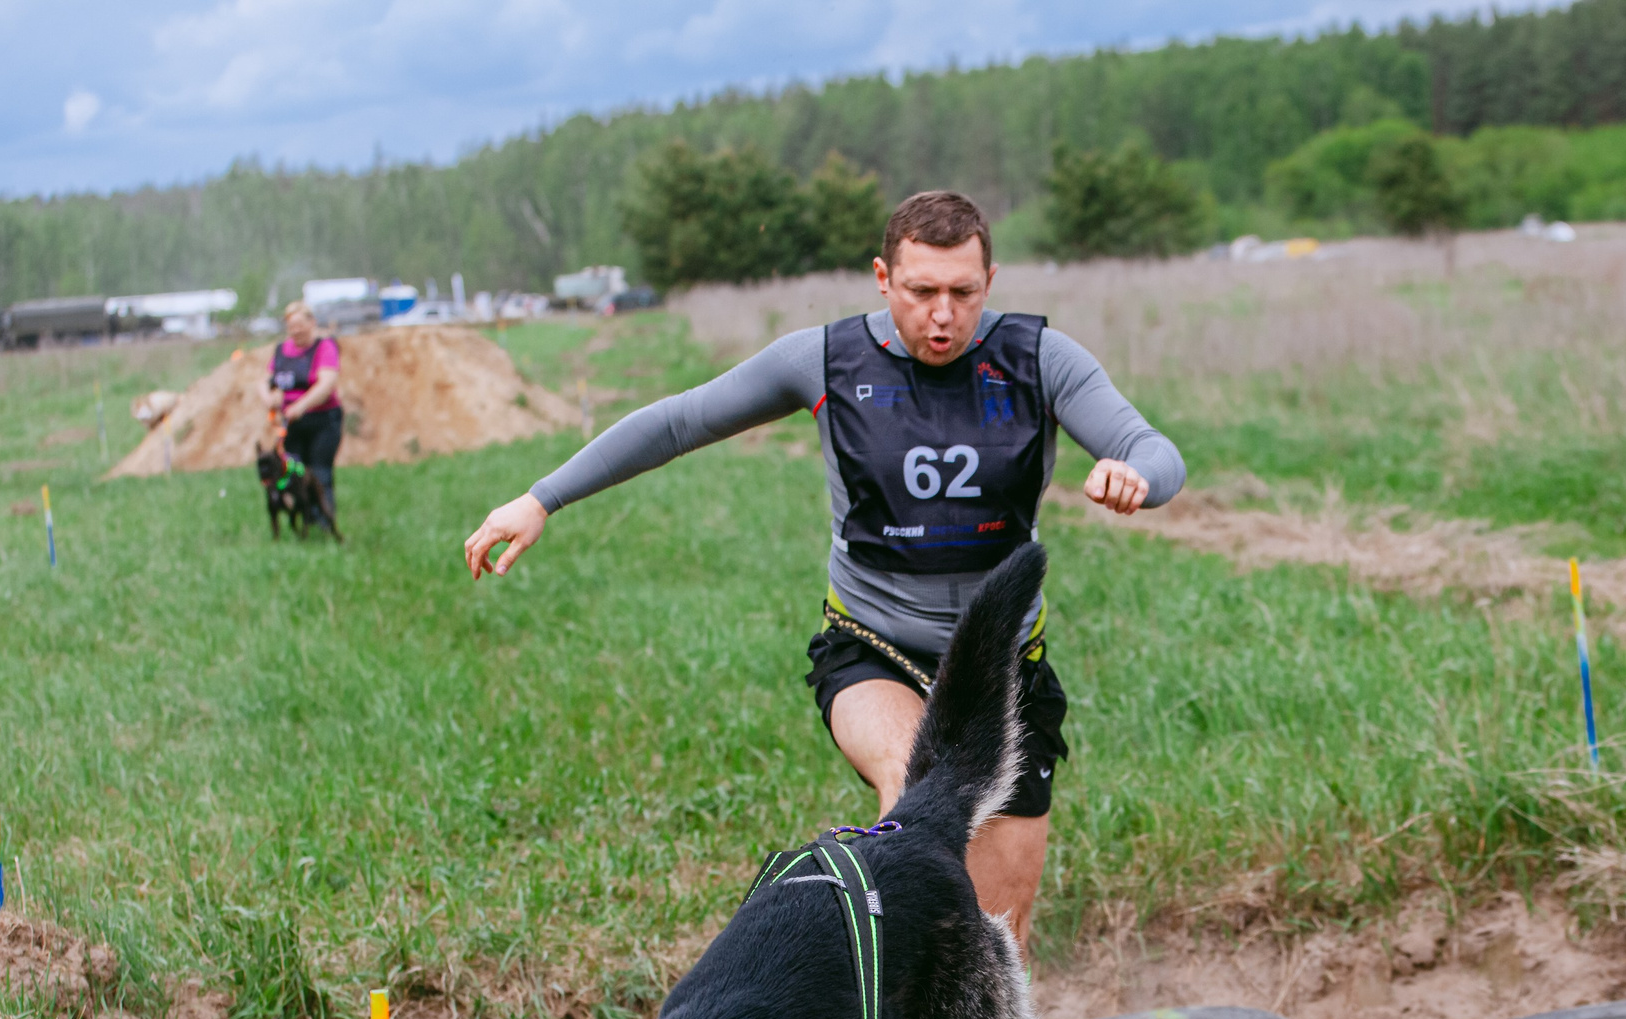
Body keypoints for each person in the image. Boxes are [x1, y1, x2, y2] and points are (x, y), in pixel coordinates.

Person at [462, 191, 1184, 950]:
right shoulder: (825, 361)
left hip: (1006, 669)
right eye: (921, 292)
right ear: (882, 277)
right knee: (926, 793)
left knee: (999, 937)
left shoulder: (1041, 359)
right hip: (874, 651)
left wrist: (1135, 474)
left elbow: (1156, 450)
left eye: (962, 293)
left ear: (990, 283)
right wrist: (542, 498)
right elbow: (679, 420)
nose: (943, 314)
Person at [268, 301, 343, 515]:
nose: (296, 331)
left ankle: (325, 520)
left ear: (312, 323)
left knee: (320, 472)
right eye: (292, 326)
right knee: (294, 474)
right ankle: (305, 520)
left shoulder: (325, 347)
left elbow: (327, 384)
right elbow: (268, 381)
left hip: (323, 420)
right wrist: (270, 398)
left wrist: (300, 406)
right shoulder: (282, 351)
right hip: (292, 423)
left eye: (300, 325)